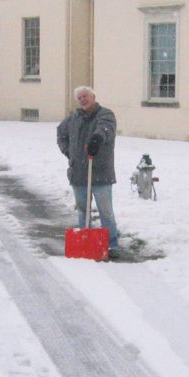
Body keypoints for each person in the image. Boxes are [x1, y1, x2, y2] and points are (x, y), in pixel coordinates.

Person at [57, 85, 120, 257]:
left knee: (105, 211)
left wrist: (97, 139)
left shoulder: (105, 114)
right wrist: (69, 152)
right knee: (83, 211)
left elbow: (106, 128)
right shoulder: (73, 119)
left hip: (101, 172)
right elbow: (60, 134)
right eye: (79, 98)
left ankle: (112, 244)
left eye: (85, 96)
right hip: (78, 174)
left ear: (93, 96)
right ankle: (87, 242)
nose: (83, 100)